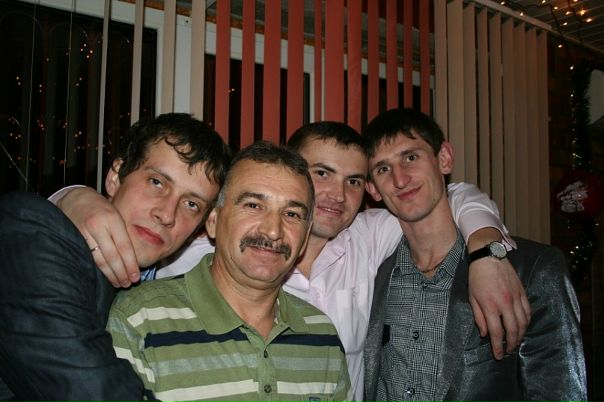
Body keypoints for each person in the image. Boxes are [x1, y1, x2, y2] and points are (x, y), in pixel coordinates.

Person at [54, 121, 529, 402]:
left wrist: (486, 249)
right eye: (321, 173)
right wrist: (71, 197)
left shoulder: (367, 237)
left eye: (354, 181)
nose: (337, 194)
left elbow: (449, 196)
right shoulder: (193, 253)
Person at [0, 113, 232, 402]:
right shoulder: (35, 232)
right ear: (114, 178)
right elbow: (87, 390)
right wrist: (69, 196)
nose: (167, 214)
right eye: (156, 182)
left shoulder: (178, 287)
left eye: (191, 204)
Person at [362, 108, 587, 402]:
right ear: (373, 189)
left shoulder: (532, 269)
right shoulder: (372, 276)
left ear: (444, 158)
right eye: (383, 169)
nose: (400, 179)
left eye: (411, 157)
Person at [106, 141, 353, 401]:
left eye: (291, 214)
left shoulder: (321, 335)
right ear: (213, 221)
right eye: (253, 206)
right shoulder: (140, 319)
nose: (273, 231)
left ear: (304, 239)